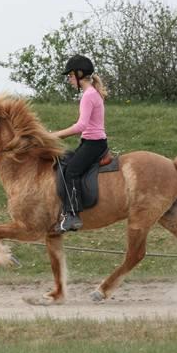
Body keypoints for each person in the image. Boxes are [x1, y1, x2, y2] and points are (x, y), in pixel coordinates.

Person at [52, 55, 108, 233]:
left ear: (79, 74)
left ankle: (73, 215)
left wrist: (55, 135)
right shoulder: (91, 93)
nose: (68, 80)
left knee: (71, 172)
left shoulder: (88, 95)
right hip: (90, 142)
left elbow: (81, 125)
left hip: (94, 144)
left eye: (70, 76)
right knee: (66, 160)